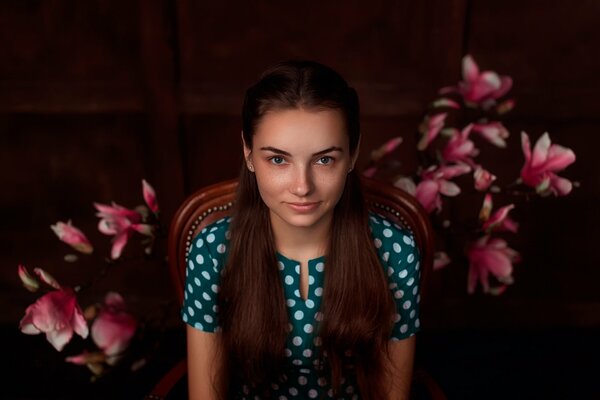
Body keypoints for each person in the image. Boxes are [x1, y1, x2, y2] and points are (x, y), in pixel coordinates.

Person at [181, 60, 421, 400]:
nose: (302, 186)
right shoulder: (212, 249)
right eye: (278, 159)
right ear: (248, 154)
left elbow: (392, 394)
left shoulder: (395, 251)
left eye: (325, 159)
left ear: (352, 155)